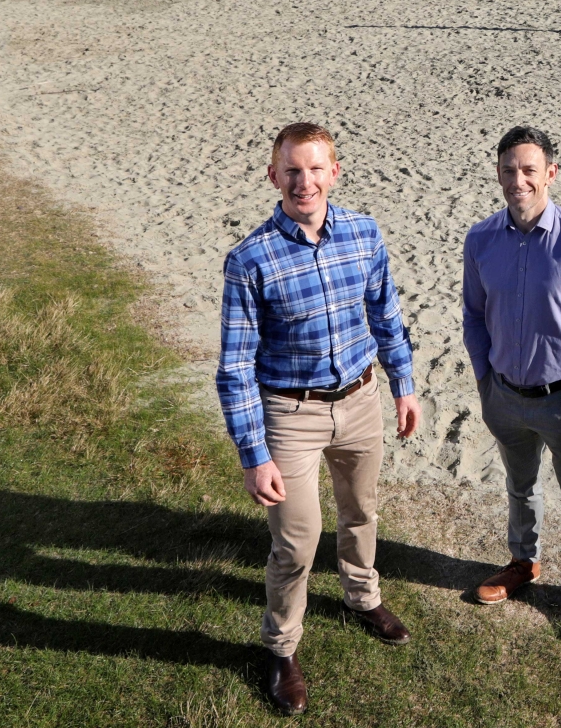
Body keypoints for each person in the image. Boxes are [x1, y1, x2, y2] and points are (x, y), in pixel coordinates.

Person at [216, 122, 422, 715]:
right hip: (289, 414)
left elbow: (386, 314)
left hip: (361, 401)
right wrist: (255, 455)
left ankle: (362, 596)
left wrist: (403, 386)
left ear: (334, 172)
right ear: (274, 176)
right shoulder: (249, 259)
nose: (304, 181)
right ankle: (281, 648)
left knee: (360, 512)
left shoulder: (363, 233)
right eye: (292, 170)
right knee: (297, 543)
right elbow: (234, 368)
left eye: (315, 168)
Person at [462, 125, 561, 641]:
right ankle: (523, 564)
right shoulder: (481, 239)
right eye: (509, 170)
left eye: (529, 170)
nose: (519, 180)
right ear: (499, 174)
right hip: (505, 397)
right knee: (520, 486)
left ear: (550, 173)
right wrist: (486, 379)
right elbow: (473, 315)